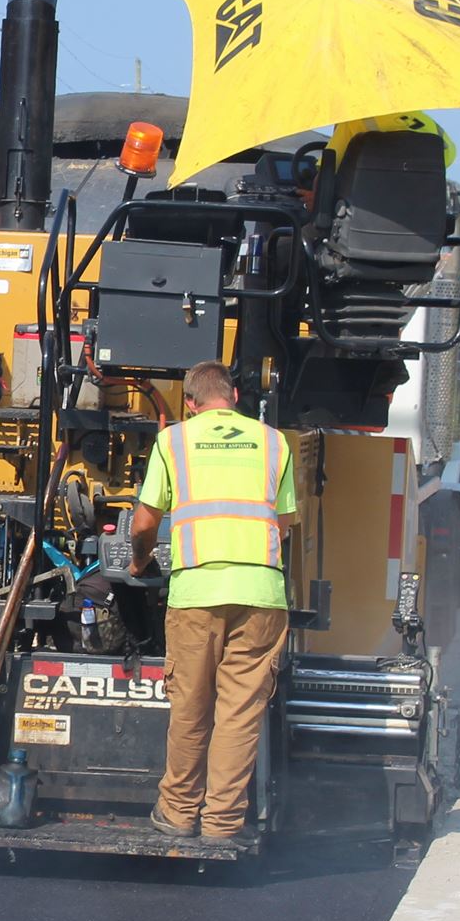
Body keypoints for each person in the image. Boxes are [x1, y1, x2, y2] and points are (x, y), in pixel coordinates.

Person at [127, 361, 298, 843]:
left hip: (197, 594)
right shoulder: (273, 441)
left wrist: (140, 562)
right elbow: (283, 524)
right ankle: (222, 823)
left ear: (190, 402)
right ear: (236, 395)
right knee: (239, 714)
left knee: (191, 709)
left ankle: (179, 814)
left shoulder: (173, 441)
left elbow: (144, 523)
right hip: (261, 595)